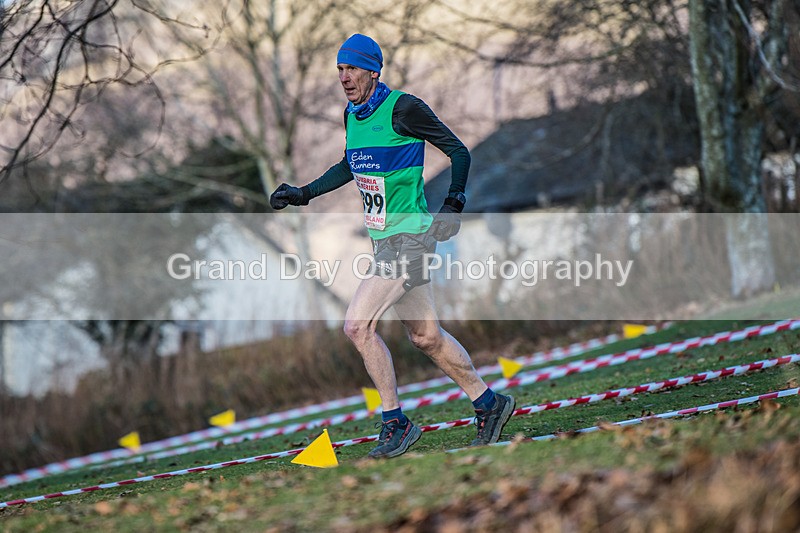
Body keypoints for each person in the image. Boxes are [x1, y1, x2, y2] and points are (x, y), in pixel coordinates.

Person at [270, 34, 515, 458]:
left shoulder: (404, 108)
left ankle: (395, 422)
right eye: (340, 70)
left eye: (352, 69)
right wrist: (303, 193)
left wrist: (453, 203)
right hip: (386, 241)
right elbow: (352, 164)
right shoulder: (352, 113)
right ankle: (489, 404)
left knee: (357, 325)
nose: (344, 78)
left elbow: (458, 151)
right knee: (425, 337)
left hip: (413, 239)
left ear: (373, 70)